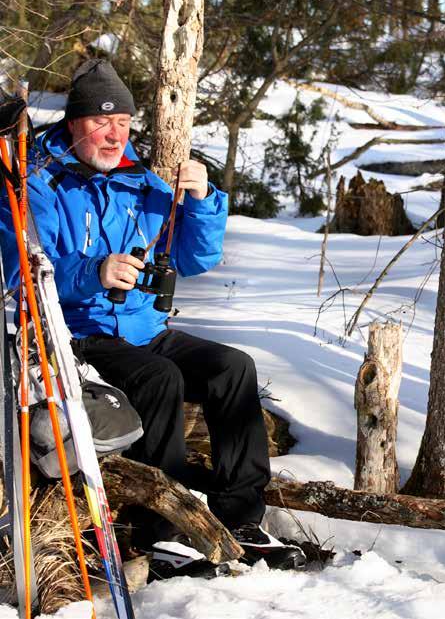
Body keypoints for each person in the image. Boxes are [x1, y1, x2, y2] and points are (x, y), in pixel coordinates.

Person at [0, 60, 305, 570]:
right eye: (101, 122)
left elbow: (194, 258)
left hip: (143, 327)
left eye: (122, 122)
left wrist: (204, 200)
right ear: (74, 123)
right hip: (76, 333)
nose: (113, 133)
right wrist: (93, 272)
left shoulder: (140, 182)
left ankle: (240, 516)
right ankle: (158, 529)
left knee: (234, 368)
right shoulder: (41, 182)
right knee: (159, 378)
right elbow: (21, 268)